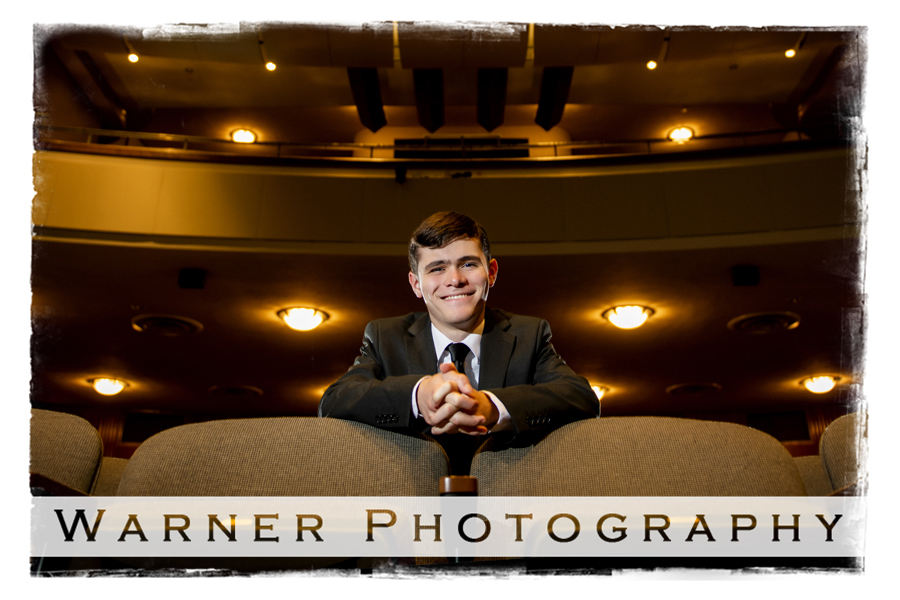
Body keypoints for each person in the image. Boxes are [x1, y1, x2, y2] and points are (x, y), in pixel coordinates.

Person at [318, 211, 599, 474]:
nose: (455, 279)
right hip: (413, 510)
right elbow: (334, 402)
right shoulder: (385, 337)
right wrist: (417, 396)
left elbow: (580, 397)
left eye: (467, 264)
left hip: (508, 506)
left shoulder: (529, 334)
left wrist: (492, 407)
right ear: (416, 284)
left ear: (491, 272)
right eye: (437, 268)